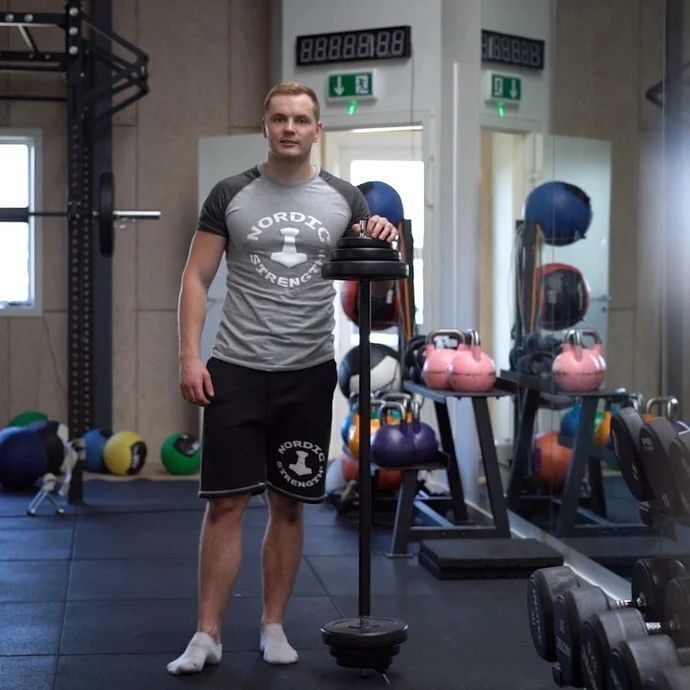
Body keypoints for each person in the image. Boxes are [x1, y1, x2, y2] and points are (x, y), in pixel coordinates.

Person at [168, 81, 398, 675]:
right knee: (225, 505)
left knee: (289, 504)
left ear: (318, 130)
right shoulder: (231, 193)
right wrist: (190, 357)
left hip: (308, 371)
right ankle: (207, 634)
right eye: (278, 118)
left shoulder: (346, 199)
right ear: (265, 127)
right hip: (237, 367)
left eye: (300, 119)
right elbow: (196, 276)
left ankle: (273, 625)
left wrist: (382, 233)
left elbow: (371, 270)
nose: (289, 128)